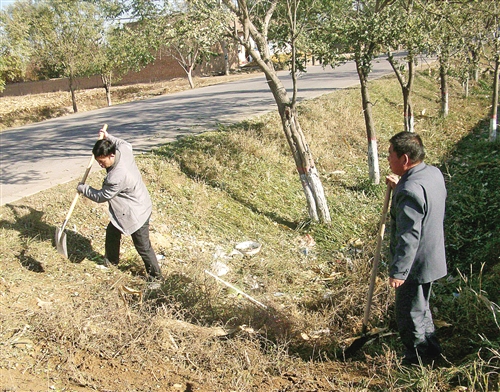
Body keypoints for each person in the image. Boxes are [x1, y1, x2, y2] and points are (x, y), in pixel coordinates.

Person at [385, 131, 447, 365]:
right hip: (432, 256)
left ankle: (417, 361)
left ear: (405, 160)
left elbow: (409, 235)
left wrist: (399, 272)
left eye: (391, 155)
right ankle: (432, 352)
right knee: (421, 308)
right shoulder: (432, 173)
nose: (388, 159)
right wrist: (401, 184)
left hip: (415, 263)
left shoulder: (409, 190)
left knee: (409, 314)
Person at [77, 127, 163, 283]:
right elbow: (122, 142)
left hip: (136, 212)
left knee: (143, 247)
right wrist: (108, 136)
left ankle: (156, 278)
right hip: (136, 201)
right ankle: (111, 262)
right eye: (98, 162)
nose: (101, 165)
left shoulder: (116, 176)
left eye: (102, 162)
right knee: (112, 231)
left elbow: (101, 196)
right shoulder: (123, 150)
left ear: (111, 155)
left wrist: (83, 189)